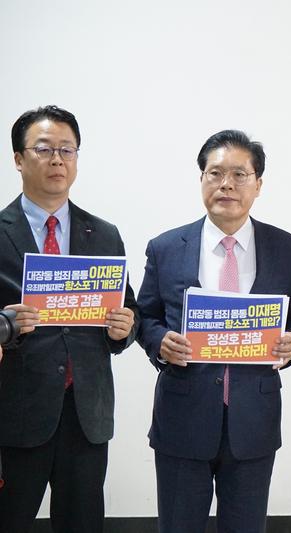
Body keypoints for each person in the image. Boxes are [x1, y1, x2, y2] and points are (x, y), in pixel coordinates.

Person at [136, 130, 291, 533]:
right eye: (215, 173)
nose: (226, 184)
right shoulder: (165, 247)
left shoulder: (286, 248)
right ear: (201, 179)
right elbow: (145, 316)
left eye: (239, 174)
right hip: (182, 419)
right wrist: (160, 342)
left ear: (258, 184)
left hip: (254, 422)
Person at [0, 105, 139, 532]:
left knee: (82, 523)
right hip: (16, 412)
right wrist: (4, 324)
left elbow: (128, 308)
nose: (57, 159)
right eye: (44, 149)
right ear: (19, 159)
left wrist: (124, 329)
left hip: (85, 413)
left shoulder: (104, 234)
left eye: (67, 149)